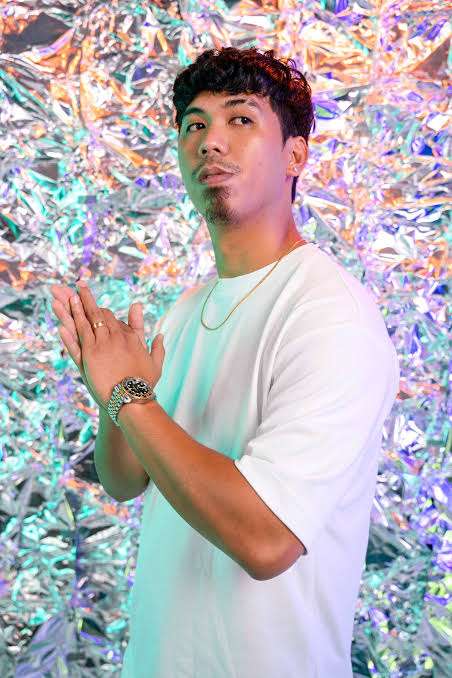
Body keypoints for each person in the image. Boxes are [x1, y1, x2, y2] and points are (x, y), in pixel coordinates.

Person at [51, 47, 400, 677]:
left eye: (241, 119)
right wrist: (111, 394)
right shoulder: (188, 310)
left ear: (295, 156)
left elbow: (266, 540)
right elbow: (125, 479)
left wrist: (129, 396)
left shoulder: (329, 314)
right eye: (195, 124)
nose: (211, 141)